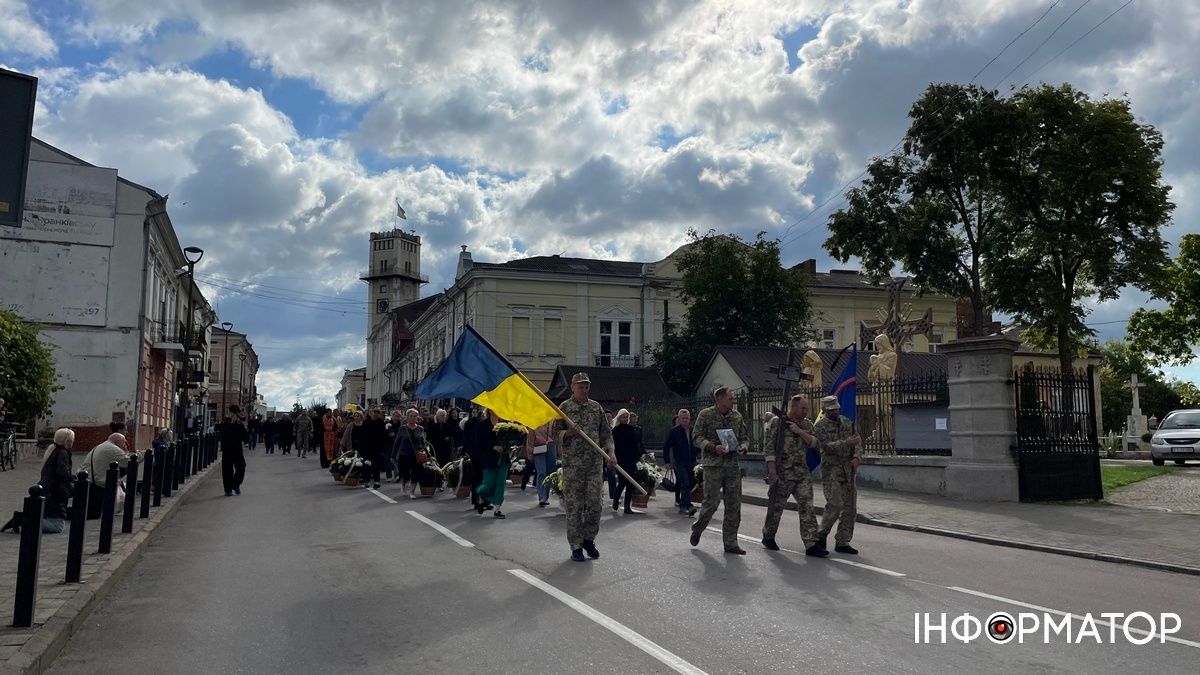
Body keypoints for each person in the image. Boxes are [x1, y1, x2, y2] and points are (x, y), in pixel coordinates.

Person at [552, 372, 616, 562]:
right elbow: (555, 434)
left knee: (596, 505)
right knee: (574, 507)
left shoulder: (596, 407)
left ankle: (588, 539)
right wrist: (569, 433)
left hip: (594, 464)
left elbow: (606, 433)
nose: (584, 389)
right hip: (573, 466)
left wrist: (611, 452)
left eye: (586, 386)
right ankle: (576, 546)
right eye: (580, 386)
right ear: (572, 387)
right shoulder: (564, 408)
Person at [762, 396, 828, 557]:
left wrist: (800, 432)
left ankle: (811, 543)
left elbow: (816, 444)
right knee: (776, 508)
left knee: (807, 507)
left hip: (801, 473)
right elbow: (769, 448)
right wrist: (772, 471)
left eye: (807, 409)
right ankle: (768, 536)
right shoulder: (777, 423)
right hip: (782, 473)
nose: (806, 411)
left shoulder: (807, 424)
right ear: (793, 407)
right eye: (803, 408)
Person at [689, 386, 749, 554]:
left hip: (732, 466)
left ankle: (730, 543)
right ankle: (698, 529)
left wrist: (743, 447)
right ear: (720, 399)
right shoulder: (706, 414)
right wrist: (712, 447)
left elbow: (745, 438)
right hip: (713, 465)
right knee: (712, 503)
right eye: (730, 398)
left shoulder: (737, 416)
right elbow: (696, 437)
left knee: (734, 504)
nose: (733, 401)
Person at [814, 395, 862, 555]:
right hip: (831, 470)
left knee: (850, 508)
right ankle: (821, 535)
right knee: (835, 504)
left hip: (848, 470)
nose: (835, 412)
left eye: (836, 409)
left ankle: (843, 541)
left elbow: (857, 441)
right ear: (825, 410)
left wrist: (857, 457)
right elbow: (825, 446)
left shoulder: (847, 422)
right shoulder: (820, 426)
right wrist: (845, 443)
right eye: (831, 410)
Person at [81, 433, 132, 519]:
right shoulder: (113, 448)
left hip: (91, 479)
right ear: (117, 441)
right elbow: (128, 461)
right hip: (98, 482)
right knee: (92, 513)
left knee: (91, 510)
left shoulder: (103, 445)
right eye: (123, 442)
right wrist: (143, 455)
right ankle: (59, 515)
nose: (125, 445)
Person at [472, 410, 508, 518]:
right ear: (489, 410)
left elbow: (511, 439)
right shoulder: (482, 425)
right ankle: (481, 496)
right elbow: (478, 443)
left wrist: (506, 445)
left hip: (503, 458)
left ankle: (497, 509)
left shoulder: (505, 424)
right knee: (489, 483)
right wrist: (493, 447)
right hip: (489, 458)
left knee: (500, 483)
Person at [663, 409, 698, 515]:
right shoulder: (675, 431)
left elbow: (697, 444)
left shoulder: (693, 430)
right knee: (685, 482)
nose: (685, 420)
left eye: (687, 418)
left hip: (691, 460)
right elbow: (667, 446)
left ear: (690, 418)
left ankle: (685, 504)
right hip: (680, 461)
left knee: (691, 483)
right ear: (679, 418)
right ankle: (687, 505)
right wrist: (667, 461)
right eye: (683, 418)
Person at [610, 409, 642, 514]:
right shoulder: (615, 430)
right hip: (620, 459)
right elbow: (612, 445)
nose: (625, 419)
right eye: (623, 417)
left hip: (631, 459)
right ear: (619, 418)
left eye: (627, 417)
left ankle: (627, 506)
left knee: (631, 484)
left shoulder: (631, 429)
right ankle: (616, 498)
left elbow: (635, 444)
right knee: (622, 481)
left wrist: (639, 455)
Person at [461, 408, 492, 511]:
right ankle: (476, 501)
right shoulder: (468, 423)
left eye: (476, 412)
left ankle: (485, 501)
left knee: (485, 477)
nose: (475, 414)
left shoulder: (483, 424)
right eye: (473, 412)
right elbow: (466, 438)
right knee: (477, 478)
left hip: (484, 453)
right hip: (474, 453)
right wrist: (464, 451)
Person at [391, 408, 426, 498]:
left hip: (417, 455)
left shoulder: (420, 429)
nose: (413, 418)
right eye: (411, 416)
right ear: (407, 417)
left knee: (415, 473)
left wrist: (427, 454)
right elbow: (397, 442)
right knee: (404, 473)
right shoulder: (402, 428)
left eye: (415, 416)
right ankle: (403, 485)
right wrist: (393, 455)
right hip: (404, 454)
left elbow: (423, 443)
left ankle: (412, 492)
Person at [526, 420, 557, 507]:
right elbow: (530, 439)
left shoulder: (552, 421)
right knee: (541, 472)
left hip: (551, 446)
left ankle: (546, 496)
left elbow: (557, 435)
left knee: (549, 473)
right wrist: (530, 454)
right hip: (538, 447)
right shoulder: (534, 422)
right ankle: (542, 497)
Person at [219, 414, 247, 496]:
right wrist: (230, 423)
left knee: (241, 467)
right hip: (227, 449)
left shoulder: (240, 425)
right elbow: (222, 433)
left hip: (237, 449)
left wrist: (242, 426)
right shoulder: (225, 424)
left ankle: (235, 484)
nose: (234, 417)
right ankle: (228, 489)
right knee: (227, 469)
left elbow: (245, 438)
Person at [360, 408, 387, 488]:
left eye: (377, 412)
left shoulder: (381, 423)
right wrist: (362, 446)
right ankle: (367, 480)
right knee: (367, 464)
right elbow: (362, 435)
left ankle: (376, 481)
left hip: (377, 448)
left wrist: (383, 448)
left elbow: (383, 437)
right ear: (371, 413)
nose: (375, 414)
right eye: (374, 412)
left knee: (376, 465)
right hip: (367, 447)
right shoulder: (366, 423)